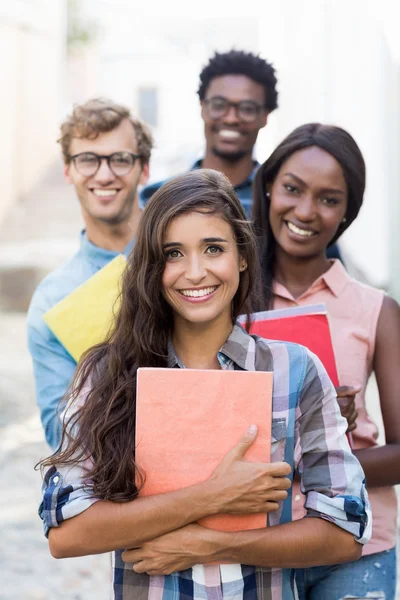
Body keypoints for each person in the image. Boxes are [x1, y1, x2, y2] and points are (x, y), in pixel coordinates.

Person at [39, 169, 370, 600]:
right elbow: (66, 534)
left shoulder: (295, 370)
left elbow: (345, 532)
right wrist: (213, 495)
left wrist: (214, 544)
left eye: (213, 248)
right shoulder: (105, 373)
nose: (194, 272)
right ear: (151, 266)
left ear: (243, 256)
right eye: (173, 253)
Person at [252, 123, 400, 600]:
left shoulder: (376, 309)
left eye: (329, 199)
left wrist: (325, 451)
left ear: (346, 214)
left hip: (358, 547)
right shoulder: (227, 299)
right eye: (293, 189)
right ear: (269, 185)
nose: (306, 211)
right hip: (256, 542)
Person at [27, 98, 153, 450]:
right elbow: (61, 436)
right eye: (88, 159)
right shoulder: (53, 300)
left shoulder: (186, 257)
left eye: (120, 159)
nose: (104, 173)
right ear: (68, 170)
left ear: (144, 168)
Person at [140, 49, 277, 217]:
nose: (231, 119)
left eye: (247, 108)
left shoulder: (279, 201)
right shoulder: (155, 199)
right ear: (202, 107)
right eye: (219, 105)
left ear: (265, 116)